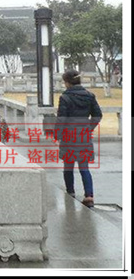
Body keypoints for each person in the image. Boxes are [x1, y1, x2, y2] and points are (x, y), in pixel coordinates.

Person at [56, 69, 103, 208]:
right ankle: (89, 196)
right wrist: (89, 127)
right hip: (83, 135)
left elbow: (61, 118)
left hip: (68, 135)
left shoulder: (65, 98)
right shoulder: (90, 96)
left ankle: (70, 192)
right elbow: (97, 115)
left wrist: (58, 134)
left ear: (67, 82)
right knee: (84, 166)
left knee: (68, 165)